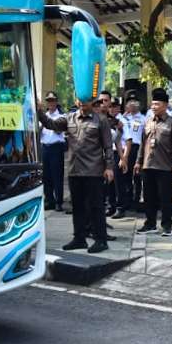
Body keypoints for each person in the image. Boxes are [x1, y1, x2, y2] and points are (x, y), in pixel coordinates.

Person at [36, 95, 115, 254]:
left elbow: (107, 146)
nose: (81, 103)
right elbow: (51, 124)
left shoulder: (101, 120)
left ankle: (101, 240)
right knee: (77, 206)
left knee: (96, 207)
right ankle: (79, 238)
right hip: (74, 170)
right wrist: (38, 110)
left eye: (85, 100)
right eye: (79, 100)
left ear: (92, 102)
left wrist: (109, 167)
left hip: (94, 171)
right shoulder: (69, 118)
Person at [135, 88, 172, 237]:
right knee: (149, 197)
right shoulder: (148, 122)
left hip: (165, 165)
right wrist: (138, 162)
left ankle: (167, 226)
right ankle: (150, 224)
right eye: (152, 104)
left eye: (157, 104)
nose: (153, 106)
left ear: (165, 105)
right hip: (148, 165)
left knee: (165, 198)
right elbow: (143, 144)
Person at [116, 98, 145, 219]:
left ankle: (136, 200)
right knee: (124, 175)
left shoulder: (143, 118)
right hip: (124, 148)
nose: (132, 105)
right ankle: (126, 201)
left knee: (136, 175)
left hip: (137, 147)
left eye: (135, 102)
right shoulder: (123, 118)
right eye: (129, 103)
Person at [39, 91, 67, 211]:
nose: (51, 103)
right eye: (49, 101)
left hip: (56, 148)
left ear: (56, 102)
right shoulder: (44, 115)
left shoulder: (61, 116)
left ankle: (58, 201)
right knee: (46, 176)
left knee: (57, 176)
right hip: (45, 147)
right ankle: (49, 200)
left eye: (53, 100)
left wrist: (47, 122)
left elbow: (58, 130)